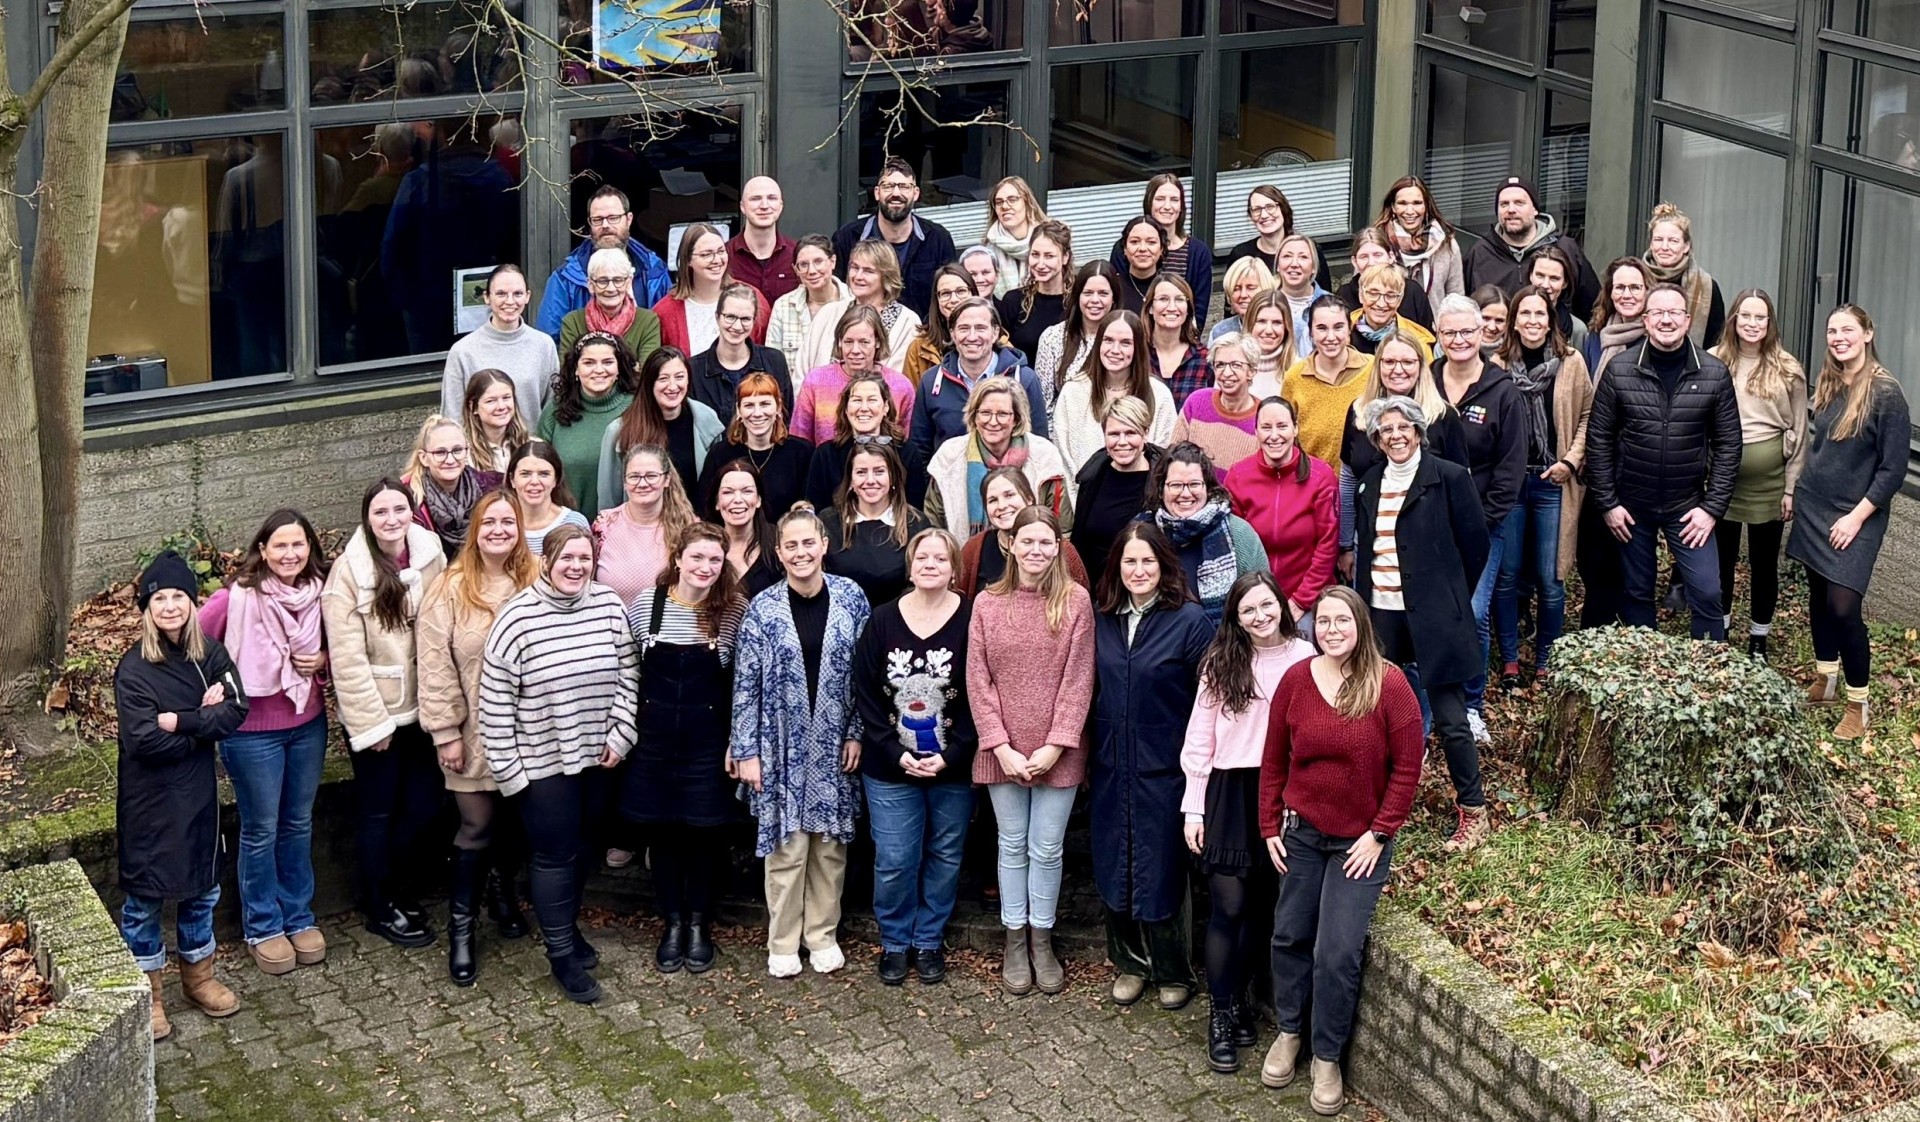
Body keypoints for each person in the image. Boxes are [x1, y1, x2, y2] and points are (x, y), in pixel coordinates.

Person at [1257, 587, 1423, 1115]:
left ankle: (1326, 1056)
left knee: (1336, 951)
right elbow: (1273, 758)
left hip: (1360, 842)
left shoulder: (1389, 683)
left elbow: (1408, 766)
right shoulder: (1296, 681)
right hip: (1301, 832)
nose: (1331, 629)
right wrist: (1269, 826)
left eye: (1341, 620)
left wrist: (1380, 832)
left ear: (1360, 624)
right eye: (1322, 621)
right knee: (1289, 934)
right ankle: (1289, 1033)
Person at [481, 524, 639, 1003]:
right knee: (553, 857)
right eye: (566, 558)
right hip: (542, 764)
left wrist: (622, 734)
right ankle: (560, 955)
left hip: (599, 756)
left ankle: (569, 930)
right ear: (546, 561)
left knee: (586, 851)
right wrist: (512, 774)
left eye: (585, 559)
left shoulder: (609, 606)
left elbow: (629, 674)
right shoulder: (517, 619)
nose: (576, 567)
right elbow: (494, 703)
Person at [1180, 572, 1314, 1073]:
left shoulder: (1306, 659)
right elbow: (1200, 737)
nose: (1260, 617)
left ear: (1280, 604)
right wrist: (1194, 805)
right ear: (1235, 618)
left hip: (1283, 791)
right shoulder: (1222, 662)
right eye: (1247, 611)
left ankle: (1242, 1002)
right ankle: (1220, 1013)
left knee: (1262, 905)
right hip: (1230, 790)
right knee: (1228, 907)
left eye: (1266, 606)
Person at [732, 505, 872, 978]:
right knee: (787, 848)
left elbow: (864, 675)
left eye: (808, 543)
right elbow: (745, 684)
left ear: (824, 545)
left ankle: (822, 935)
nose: (800, 552)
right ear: (779, 552)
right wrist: (747, 750)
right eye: (790, 545)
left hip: (835, 743)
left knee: (830, 848)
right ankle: (784, 940)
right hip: (779, 744)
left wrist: (856, 733)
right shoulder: (763, 609)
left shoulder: (852, 599)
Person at [117, 551, 250, 1041]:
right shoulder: (133, 670)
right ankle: (149, 996)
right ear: (147, 607)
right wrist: (202, 725)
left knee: (202, 892)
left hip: (198, 799)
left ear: (192, 604)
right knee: (145, 901)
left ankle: (200, 978)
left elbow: (237, 707)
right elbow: (143, 740)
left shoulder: (210, 654)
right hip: (149, 805)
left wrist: (183, 719)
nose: (170, 606)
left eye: (179, 596)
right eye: (160, 598)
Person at [967, 506, 1096, 995]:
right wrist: (999, 746)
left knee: (1046, 848)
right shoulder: (986, 604)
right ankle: (1014, 938)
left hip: (1055, 750)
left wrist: (1056, 745)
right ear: (1011, 545)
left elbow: (1079, 678)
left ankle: (1042, 937)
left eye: (1047, 542)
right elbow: (978, 680)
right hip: (1003, 750)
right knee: (1012, 845)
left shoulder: (1075, 602)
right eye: (1028, 541)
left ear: (1058, 548)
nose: (1037, 550)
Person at [1350, 397, 1489, 852]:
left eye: (1402, 427)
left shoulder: (1447, 477)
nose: (1395, 435)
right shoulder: (1369, 484)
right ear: (1376, 439)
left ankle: (1474, 811)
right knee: (1375, 714)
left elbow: (1475, 546)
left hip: (1435, 616)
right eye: (1385, 430)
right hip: (1382, 615)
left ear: (1417, 431)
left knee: (1450, 719)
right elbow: (1367, 550)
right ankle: (1376, 804)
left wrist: (1449, 597)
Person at [198, 512, 330, 977]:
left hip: (308, 722)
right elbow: (191, 646)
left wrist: (324, 660)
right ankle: (263, 925)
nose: (290, 554)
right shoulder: (235, 598)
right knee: (261, 828)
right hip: (252, 732)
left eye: (299, 545)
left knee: (297, 823)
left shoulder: (321, 593)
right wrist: (211, 691)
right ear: (263, 550)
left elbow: (346, 649)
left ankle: (298, 916)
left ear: (309, 548)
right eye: (280, 546)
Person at [1090, 521, 1214, 1011]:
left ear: (1163, 565)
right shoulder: (1102, 617)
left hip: (1165, 768)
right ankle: (1129, 964)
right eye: (1129, 561)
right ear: (1117, 568)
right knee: (1113, 860)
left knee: (1161, 869)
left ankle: (1171, 970)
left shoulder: (1188, 621)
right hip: (1110, 763)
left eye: (1148, 561)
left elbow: (1211, 700)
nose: (1138, 570)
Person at [417, 491, 538, 986]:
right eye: (489, 522)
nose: (498, 530)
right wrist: (445, 731)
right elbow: (435, 663)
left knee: (514, 821)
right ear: (475, 529)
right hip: (469, 731)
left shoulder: (537, 579)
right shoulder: (449, 587)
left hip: (530, 731)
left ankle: (503, 893)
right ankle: (461, 929)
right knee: (477, 825)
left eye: (508, 522)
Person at [322, 478, 449, 947]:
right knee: (378, 812)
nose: (392, 520)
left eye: (399, 509)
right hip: (381, 711)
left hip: (427, 704)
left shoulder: (429, 552)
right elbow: (347, 658)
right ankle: (379, 905)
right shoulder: (349, 572)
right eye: (381, 512)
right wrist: (370, 724)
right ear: (367, 519)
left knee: (424, 806)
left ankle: (398, 887)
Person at [851, 527, 979, 984]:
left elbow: (982, 690)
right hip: (890, 767)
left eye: (940, 558)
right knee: (895, 858)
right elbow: (865, 691)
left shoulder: (971, 618)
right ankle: (894, 941)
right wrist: (890, 749)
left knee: (945, 854)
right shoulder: (883, 619)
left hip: (952, 766)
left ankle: (927, 940)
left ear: (953, 568)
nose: (930, 565)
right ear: (910, 565)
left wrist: (956, 752)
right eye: (922, 557)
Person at [1584, 283, 1742, 640]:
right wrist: (1608, 502)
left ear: (1687, 321)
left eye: (1674, 313)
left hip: (1688, 506)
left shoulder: (1714, 373)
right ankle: (1648, 672)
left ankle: (1709, 671)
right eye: (1658, 313)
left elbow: (1729, 445)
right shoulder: (1621, 370)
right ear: (1646, 320)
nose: (1666, 320)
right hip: (1631, 505)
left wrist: (1711, 508)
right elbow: (1599, 438)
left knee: (1706, 592)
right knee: (1637, 592)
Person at [622, 523, 746, 974]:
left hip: (708, 742)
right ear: (677, 558)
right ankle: (672, 924)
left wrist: (738, 740)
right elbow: (628, 676)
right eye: (697, 558)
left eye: (715, 560)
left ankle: (698, 924)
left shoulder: (733, 611)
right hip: (655, 742)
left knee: (704, 836)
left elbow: (741, 686)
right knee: (664, 835)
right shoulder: (645, 608)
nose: (706, 568)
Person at [1790, 305, 1910, 740]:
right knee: (1819, 596)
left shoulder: (1886, 394)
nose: (1838, 337)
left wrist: (1856, 519)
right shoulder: (1829, 381)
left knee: (1843, 606)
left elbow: (1892, 471)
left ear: (1867, 334)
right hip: (1814, 506)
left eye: (1847, 330)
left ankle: (1859, 705)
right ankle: (1826, 678)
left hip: (1857, 514)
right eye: (1832, 331)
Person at [1433, 293, 1526, 735]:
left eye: (1467, 331)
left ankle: (1471, 705)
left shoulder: (1502, 390)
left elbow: (1511, 467)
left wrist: (1483, 521)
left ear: (1482, 333)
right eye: (1449, 332)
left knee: (1472, 610)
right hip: (1429, 522)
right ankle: (1430, 703)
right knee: (1433, 610)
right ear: (1437, 334)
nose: (1459, 339)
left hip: (1483, 525)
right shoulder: (1425, 381)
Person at [1493, 287, 1592, 684]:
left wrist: (1571, 460)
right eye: (1525, 314)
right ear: (1513, 321)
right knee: (1508, 575)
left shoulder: (1571, 362)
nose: (1533, 321)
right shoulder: (1496, 365)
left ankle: (1548, 660)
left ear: (1551, 320)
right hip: (1510, 485)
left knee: (1552, 579)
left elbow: (1588, 414)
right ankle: (1511, 661)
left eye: (1540, 314)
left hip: (1554, 480)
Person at [1710, 290, 1807, 659]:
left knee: (1764, 564)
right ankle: (1720, 632)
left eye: (1760, 318)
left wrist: (1791, 487)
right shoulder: (1714, 361)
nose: (1752, 324)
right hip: (1722, 480)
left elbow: (1800, 430)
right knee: (1722, 559)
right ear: (1733, 319)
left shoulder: (1787, 368)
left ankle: (1758, 639)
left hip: (1770, 484)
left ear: (1770, 324)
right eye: (1745, 316)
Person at [1338, 330, 1462, 582]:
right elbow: (1348, 481)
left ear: (1420, 365)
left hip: (1429, 546)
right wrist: (1345, 545)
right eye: (1390, 362)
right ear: (1378, 365)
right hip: (1370, 541)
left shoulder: (1442, 416)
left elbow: (1460, 489)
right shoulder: (1358, 413)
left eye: (1407, 362)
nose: (1398, 369)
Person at [1575, 258, 1652, 627]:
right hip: (1596, 462)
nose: (1627, 294)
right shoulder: (1596, 338)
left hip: (1636, 465)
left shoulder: (1657, 339)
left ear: (1648, 292)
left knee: (1626, 558)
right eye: (1619, 287)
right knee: (1589, 556)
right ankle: (1597, 633)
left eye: (1635, 287)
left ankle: (1619, 634)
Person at [1225, 397, 1338, 623]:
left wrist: (1299, 602)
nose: (1274, 435)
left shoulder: (1321, 475)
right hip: (1255, 598)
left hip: (1308, 597)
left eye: (1282, 426)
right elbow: (1233, 544)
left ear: (1295, 429)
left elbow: (1327, 546)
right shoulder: (1238, 476)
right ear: (1256, 431)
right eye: (1266, 427)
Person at [908, 297, 1051, 469]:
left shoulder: (1024, 379)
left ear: (995, 332)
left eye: (981, 328)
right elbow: (920, 449)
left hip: (1012, 489)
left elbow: (1040, 445)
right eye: (964, 328)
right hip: (951, 489)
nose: (972, 336)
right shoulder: (931, 381)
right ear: (952, 333)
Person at [924, 376, 1074, 539]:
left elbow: (1061, 528)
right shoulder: (949, 456)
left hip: (1033, 557)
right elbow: (934, 527)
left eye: (1002, 414)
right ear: (974, 416)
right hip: (966, 557)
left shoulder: (1044, 456)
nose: (993, 422)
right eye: (985, 413)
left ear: (1016, 418)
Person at [1137, 442, 1266, 623]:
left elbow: (1264, 600)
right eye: (1176, 485)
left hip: (1228, 646)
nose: (1186, 494)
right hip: (1158, 646)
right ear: (1160, 489)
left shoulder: (1239, 534)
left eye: (1194, 484)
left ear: (1208, 487)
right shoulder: (1141, 533)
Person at [537, 185, 670, 340]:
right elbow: (549, 342)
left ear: (629, 219)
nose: (605, 225)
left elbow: (668, 337)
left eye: (613, 218)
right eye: (598, 220)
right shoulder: (565, 278)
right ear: (590, 223)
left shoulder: (655, 272)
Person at [1053, 310, 1176, 478]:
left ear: (1137, 348)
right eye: (1108, 340)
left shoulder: (1159, 394)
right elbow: (1064, 456)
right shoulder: (1073, 392)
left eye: (1125, 343)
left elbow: (1164, 456)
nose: (1115, 350)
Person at [832, 156, 958, 315]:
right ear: (877, 193)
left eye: (904, 186)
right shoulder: (847, 238)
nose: (896, 193)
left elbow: (951, 292)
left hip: (925, 335)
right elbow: (838, 293)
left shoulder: (938, 238)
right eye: (888, 186)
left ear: (916, 193)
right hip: (863, 332)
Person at [1461, 175, 1600, 319]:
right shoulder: (1479, 253)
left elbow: (1594, 306)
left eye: (1519, 203)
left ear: (1535, 209)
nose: (1511, 210)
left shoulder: (1565, 249)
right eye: (1504, 204)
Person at [537, 333, 640, 521]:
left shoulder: (638, 406)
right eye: (589, 363)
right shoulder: (555, 410)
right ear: (576, 369)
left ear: (619, 367)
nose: (599, 370)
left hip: (622, 527)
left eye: (608, 362)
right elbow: (538, 466)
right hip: (567, 528)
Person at [600, 346, 724, 499]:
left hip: (695, 520)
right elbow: (609, 498)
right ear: (649, 383)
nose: (672, 386)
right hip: (641, 521)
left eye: (679, 377)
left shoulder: (707, 420)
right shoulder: (619, 431)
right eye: (663, 379)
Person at [821, 441, 934, 606]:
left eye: (879, 472)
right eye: (861, 472)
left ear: (893, 477)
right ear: (850, 480)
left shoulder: (916, 523)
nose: (870, 480)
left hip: (897, 621)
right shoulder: (828, 522)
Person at [441, 263, 555, 425]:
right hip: (480, 449)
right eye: (501, 294)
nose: (510, 301)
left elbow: (552, 408)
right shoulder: (463, 351)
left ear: (527, 296)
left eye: (517, 294)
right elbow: (452, 417)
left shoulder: (544, 345)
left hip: (531, 448)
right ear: (487, 297)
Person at [794, 302, 920, 443]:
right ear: (839, 342)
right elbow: (799, 442)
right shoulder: (816, 381)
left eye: (864, 342)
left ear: (877, 342)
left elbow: (908, 442)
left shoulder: (900, 386)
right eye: (848, 342)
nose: (855, 350)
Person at [956, 467, 1092, 595]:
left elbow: (1083, 603)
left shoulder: (1062, 550)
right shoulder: (974, 550)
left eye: (1009, 495)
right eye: (992, 500)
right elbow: (959, 598)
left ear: (1029, 499)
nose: (1002, 505)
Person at [593, 443, 698, 607]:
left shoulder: (689, 527)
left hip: (668, 629)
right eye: (634, 476)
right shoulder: (604, 524)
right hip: (614, 627)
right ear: (625, 482)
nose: (642, 484)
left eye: (651, 476)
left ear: (667, 479)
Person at [698, 372, 811, 520]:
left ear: (778, 407)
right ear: (738, 410)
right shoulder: (720, 454)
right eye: (749, 405)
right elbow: (704, 509)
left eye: (765, 404)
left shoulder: (802, 453)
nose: (757, 413)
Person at [1072, 397, 1162, 582]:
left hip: (1143, 588)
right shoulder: (1093, 476)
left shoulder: (1162, 481)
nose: (1122, 442)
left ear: (1145, 433)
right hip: (1097, 593)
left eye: (1130, 433)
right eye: (1114, 434)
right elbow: (1079, 541)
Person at [1281, 296, 1370, 472]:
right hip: (1312, 484)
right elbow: (1288, 438)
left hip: (1363, 482)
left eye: (1338, 327)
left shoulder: (1372, 369)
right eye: (1321, 328)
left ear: (1349, 329)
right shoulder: (1295, 377)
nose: (1331, 337)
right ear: (1311, 332)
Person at [653, 222, 771, 355]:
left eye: (721, 251)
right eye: (706, 254)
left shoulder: (752, 298)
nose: (716, 260)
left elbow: (766, 353)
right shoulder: (664, 312)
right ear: (688, 260)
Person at [805, 373, 919, 510]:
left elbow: (915, 509)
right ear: (846, 409)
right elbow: (816, 510)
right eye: (857, 400)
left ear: (886, 407)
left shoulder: (906, 452)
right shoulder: (825, 455)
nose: (864, 408)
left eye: (872, 400)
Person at [1107, 174, 1215, 315]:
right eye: (1160, 199)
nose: (1167, 206)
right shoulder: (1124, 248)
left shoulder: (1199, 252)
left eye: (1174, 200)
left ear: (1181, 206)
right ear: (1149, 202)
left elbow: (1199, 311)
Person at [687, 283, 792, 426]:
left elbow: (786, 417)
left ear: (754, 321)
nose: (737, 326)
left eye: (745, 319)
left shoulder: (774, 361)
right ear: (717, 317)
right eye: (730, 317)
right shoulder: (694, 369)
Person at [402, 415, 503, 560]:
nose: (450, 460)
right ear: (424, 458)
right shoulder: (407, 500)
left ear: (467, 452)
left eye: (457, 450)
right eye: (440, 453)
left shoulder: (492, 487)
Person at [1033, 260, 1120, 423]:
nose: (1095, 300)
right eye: (1088, 293)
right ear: (1077, 296)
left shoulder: (1123, 339)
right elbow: (1043, 405)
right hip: (1063, 433)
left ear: (1114, 298)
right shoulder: (1053, 338)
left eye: (1103, 293)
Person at [556, 247, 665, 364]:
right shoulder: (572, 322)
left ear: (628, 283)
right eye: (603, 281)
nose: (611, 288)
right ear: (591, 285)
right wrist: (631, 367)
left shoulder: (648, 321)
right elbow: (568, 371)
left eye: (618, 280)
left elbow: (647, 373)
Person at [1172, 331, 1260, 471]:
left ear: (1252, 371)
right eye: (1220, 365)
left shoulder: (1262, 417)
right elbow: (1173, 457)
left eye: (1236, 365)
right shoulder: (1197, 403)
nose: (1226, 373)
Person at [767, 235, 851, 381]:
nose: (811, 271)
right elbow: (772, 363)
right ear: (796, 270)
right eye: (803, 265)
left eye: (818, 262)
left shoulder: (853, 302)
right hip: (795, 398)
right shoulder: (783, 306)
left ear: (833, 261)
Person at [1642, 202, 1724, 348]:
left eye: (1673, 241)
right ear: (1651, 244)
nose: (1665, 247)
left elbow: (1716, 340)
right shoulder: (1635, 279)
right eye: (1659, 240)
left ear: (1686, 246)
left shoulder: (1706, 287)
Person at [1223, 184, 1334, 292]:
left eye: (1270, 207)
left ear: (1283, 209)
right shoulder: (1241, 254)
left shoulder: (1307, 249)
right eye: (1256, 210)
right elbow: (1231, 305)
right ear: (1251, 216)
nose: (1264, 215)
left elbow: (1327, 297)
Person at [1376, 174, 1464, 307]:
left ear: (1426, 206)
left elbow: (1457, 298)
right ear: (1393, 207)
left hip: (1432, 326)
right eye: (1402, 203)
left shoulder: (1446, 245)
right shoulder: (1377, 243)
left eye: (1417, 203)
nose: (1410, 211)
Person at [711, 458, 787, 598]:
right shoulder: (703, 546)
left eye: (747, 491)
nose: (738, 499)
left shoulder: (780, 542)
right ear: (717, 502)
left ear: (758, 500)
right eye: (728, 492)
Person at [996, 220, 1071, 361]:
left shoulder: (1078, 303)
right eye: (1035, 254)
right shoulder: (1014, 301)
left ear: (1065, 257)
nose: (1040, 264)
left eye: (1049, 256)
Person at [1337, 227, 1435, 333]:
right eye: (1364, 257)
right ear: (1354, 262)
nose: (1371, 262)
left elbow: (1427, 334)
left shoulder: (1412, 291)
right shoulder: (1344, 295)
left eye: (1377, 255)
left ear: (1391, 257)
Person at [506, 440, 591, 556]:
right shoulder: (500, 525)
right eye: (525, 474)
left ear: (556, 479)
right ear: (512, 479)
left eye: (544, 474)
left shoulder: (574, 522)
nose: (534, 481)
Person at [903, 265, 979, 384]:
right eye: (945, 293)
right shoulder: (918, 348)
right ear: (936, 300)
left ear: (973, 294)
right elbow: (913, 398)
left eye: (961, 291)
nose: (954, 299)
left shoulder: (995, 340)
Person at [728, 175, 798, 301]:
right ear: (742, 206)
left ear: (781, 205)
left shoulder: (797, 255)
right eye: (755, 199)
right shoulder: (724, 257)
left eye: (772, 198)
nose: (764, 205)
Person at [1145, 274, 1211, 409]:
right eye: (1163, 299)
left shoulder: (1205, 358)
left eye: (1179, 300)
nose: (1172, 307)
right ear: (1150, 307)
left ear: (1188, 309)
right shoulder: (1136, 354)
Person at [1347, 261, 1437, 357]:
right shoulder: (1342, 332)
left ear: (1399, 300)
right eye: (1373, 294)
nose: (1381, 304)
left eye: (1390, 296)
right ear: (1361, 296)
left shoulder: (1418, 343)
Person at [981, 175, 1047, 296]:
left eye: (1012, 199)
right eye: (999, 202)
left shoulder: (1048, 241)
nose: (1005, 206)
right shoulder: (988, 251)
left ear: (1027, 203)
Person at [460, 368, 530, 473]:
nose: (501, 406)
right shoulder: (462, 454)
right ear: (473, 407)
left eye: (506, 398)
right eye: (491, 401)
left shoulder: (530, 446)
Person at [1524, 243, 1588, 353]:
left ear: (1565, 283)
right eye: (1540, 276)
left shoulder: (1577, 330)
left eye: (1554, 278)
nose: (1545, 285)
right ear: (1530, 276)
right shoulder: (1510, 319)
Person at [1274, 235, 1329, 361]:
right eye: (1287, 256)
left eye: (1303, 257)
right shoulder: (1265, 304)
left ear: (1314, 268)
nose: (1294, 264)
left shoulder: (1331, 305)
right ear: (1278, 265)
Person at [1241, 288, 1296, 400]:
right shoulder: (1232, 366)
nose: (1269, 330)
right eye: (1261, 321)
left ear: (1286, 327)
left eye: (1277, 322)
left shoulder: (1299, 369)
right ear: (1250, 323)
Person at [1210, 256, 1275, 345]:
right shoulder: (1220, 331)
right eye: (1236, 289)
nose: (1243, 295)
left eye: (1251, 288)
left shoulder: (1286, 327)